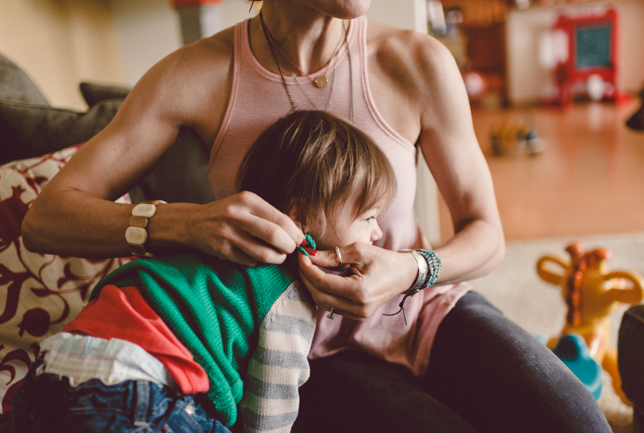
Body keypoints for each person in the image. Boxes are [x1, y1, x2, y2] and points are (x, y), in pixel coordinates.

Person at [21, 0, 613, 431]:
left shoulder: (415, 60)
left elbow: (487, 233)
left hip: (418, 305)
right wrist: (181, 221)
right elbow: (48, 217)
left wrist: (409, 269)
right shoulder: (193, 75)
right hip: (292, 349)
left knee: (577, 422)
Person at [12, 110, 397, 433]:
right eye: (369, 217)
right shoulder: (286, 288)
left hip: (50, 370)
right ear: (300, 215)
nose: (378, 232)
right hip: (136, 386)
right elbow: (270, 407)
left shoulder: (201, 240)